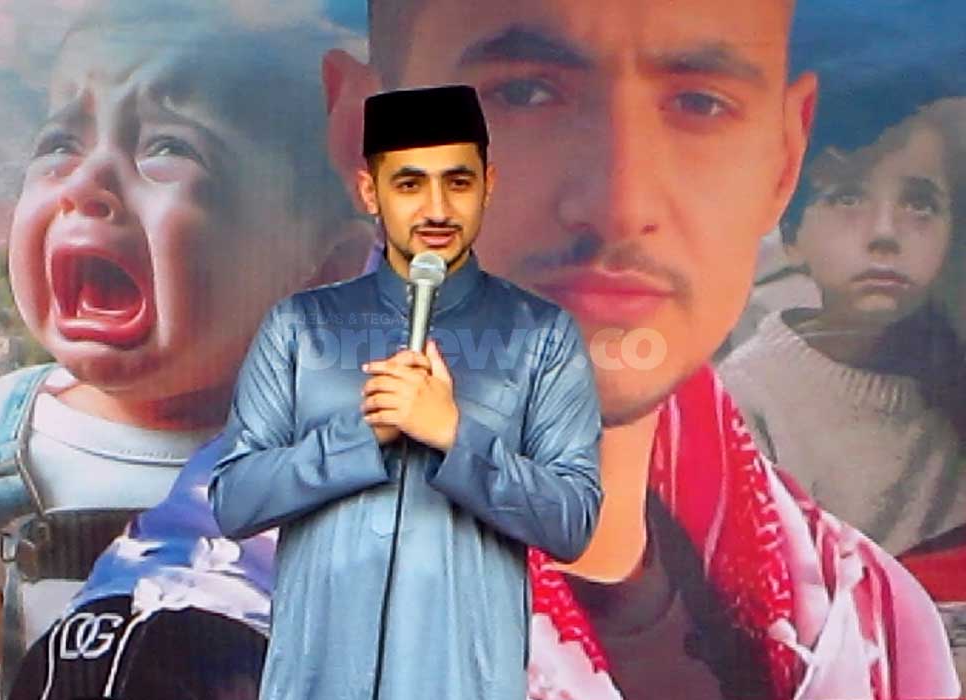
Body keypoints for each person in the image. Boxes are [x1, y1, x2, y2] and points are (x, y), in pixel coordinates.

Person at [319, 0, 961, 697]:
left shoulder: (874, 628)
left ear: (782, 161)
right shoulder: (257, 633)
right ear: (364, 140)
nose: (621, 207)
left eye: (700, 103)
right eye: (523, 93)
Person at [0, 4, 368, 695]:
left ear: (327, 267)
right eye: (59, 142)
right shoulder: (0, 439)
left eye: (169, 147)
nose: (84, 187)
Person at [208, 84, 603, 700]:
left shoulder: (539, 336)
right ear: (371, 191)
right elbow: (235, 500)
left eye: (458, 182)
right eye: (410, 184)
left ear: (488, 185)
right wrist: (361, 436)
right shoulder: (301, 327)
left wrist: (455, 436)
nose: (437, 209)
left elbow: (572, 521)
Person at [720, 100, 966, 557]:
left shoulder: (950, 376)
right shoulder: (748, 397)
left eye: (919, 203)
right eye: (848, 198)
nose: (885, 233)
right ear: (791, 235)